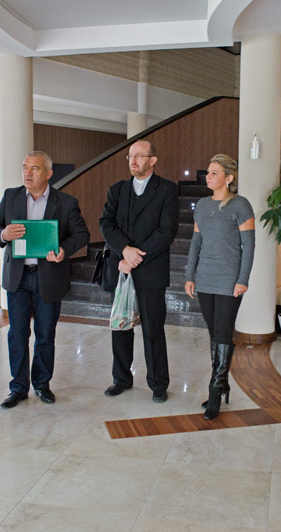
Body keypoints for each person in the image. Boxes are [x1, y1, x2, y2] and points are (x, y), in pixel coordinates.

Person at [0, 151, 89, 408]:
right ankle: (18, 387)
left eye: (35, 168)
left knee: (45, 335)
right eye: (25, 167)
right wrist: (4, 234)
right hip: (18, 279)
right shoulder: (10, 196)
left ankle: (42, 384)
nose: (28, 173)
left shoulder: (65, 202)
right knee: (17, 333)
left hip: (49, 277)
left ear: (49, 173)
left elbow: (81, 235)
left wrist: (64, 249)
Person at [99, 140, 179, 402]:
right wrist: (124, 250)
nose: (133, 161)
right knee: (121, 327)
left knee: (153, 330)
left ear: (152, 160)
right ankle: (121, 379)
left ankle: (158, 384)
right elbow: (106, 223)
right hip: (121, 267)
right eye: (130, 156)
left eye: (139, 156)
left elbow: (166, 231)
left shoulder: (167, 190)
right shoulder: (117, 190)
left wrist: (135, 257)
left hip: (150, 271)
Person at [184, 154, 255, 419]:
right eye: (208, 172)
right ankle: (222, 383)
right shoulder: (203, 205)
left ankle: (215, 391)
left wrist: (243, 279)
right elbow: (196, 242)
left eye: (214, 173)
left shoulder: (240, 205)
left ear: (229, 178)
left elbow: (249, 246)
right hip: (205, 277)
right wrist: (189, 275)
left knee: (223, 333)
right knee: (214, 333)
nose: (208, 176)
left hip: (229, 278)